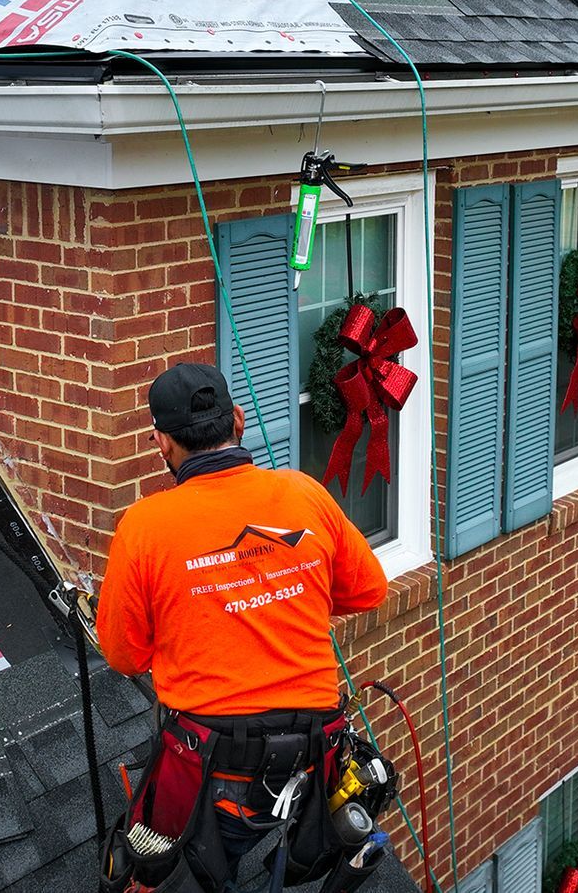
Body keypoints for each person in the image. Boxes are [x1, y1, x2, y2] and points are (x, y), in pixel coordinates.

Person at [96, 362, 388, 889]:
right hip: (312, 761)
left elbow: (123, 656)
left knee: (179, 871)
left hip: (212, 769)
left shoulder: (143, 528)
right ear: (238, 419)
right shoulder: (303, 494)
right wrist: (284, 589)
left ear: (160, 442)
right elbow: (368, 590)